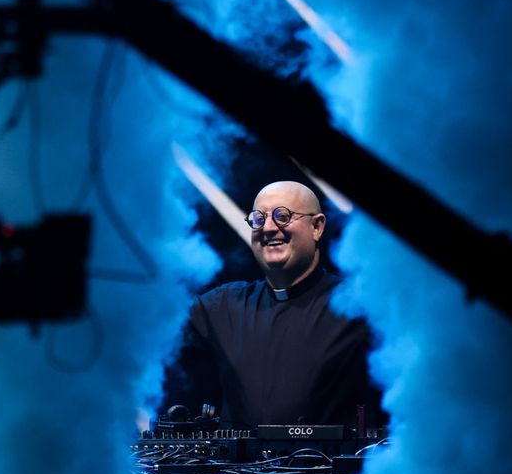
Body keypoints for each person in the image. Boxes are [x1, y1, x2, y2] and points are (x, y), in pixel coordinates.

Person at [163, 180, 385, 430]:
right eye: (258, 219)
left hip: (329, 468)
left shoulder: (358, 305)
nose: (268, 228)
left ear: (317, 227)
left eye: (283, 216)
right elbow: (150, 333)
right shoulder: (220, 306)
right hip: (236, 470)